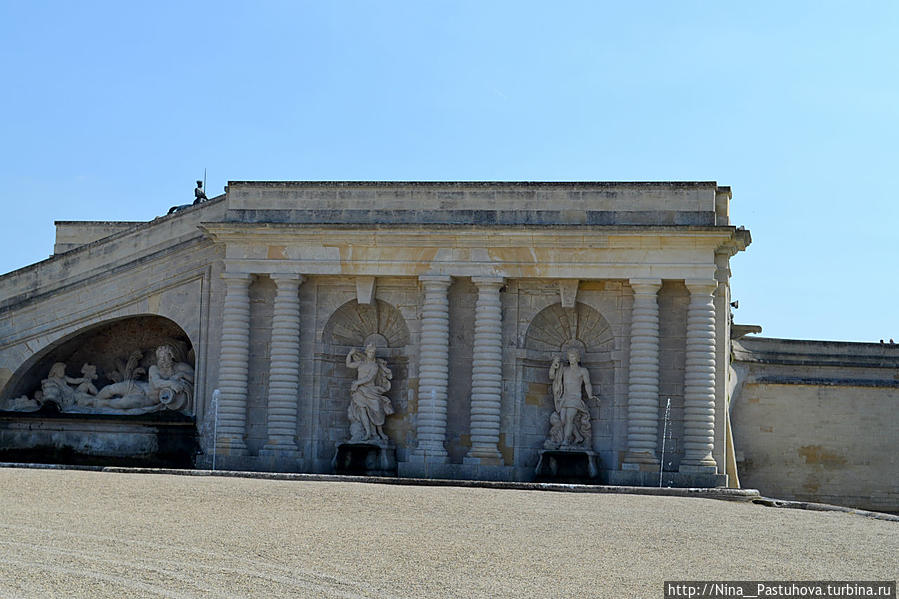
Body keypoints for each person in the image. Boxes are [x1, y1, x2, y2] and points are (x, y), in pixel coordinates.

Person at [548, 348, 598, 447]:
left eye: (573, 357)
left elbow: (587, 384)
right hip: (565, 398)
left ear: (577, 358)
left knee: (569, 418)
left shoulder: (583, 371)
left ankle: (566, 441)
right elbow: (552, 376)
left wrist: (590, 395)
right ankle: (578, 436)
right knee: (563, 420)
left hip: (575, 398)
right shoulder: (565, 370)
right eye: (570, 357)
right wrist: (553, 366)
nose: (571, 359)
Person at [345, 343, 394, 441]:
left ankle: (379, 432)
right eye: (370, 352)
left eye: (373, 353)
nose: (371, 354)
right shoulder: (361, 363)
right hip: (360, 391)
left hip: (371, 390)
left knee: (377, 410)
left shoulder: (375, 366)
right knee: (363, 410)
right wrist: (350, 354)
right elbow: (349, 364)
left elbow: (369, 378)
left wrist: (357, 382)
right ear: (366, 353)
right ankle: (367, 433)